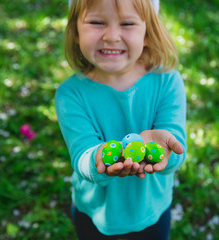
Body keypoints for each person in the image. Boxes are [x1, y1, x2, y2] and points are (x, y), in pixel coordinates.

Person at [55, 0, 186, 239]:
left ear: (148, 33)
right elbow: (81, 155)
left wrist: (168, 148)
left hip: (152, 211)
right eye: (96, 22)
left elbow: (176, 149)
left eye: (127, 23)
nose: (112, 36)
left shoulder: (168, 82)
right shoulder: (70, 94)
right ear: (75, 31)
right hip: (95, 214)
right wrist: (100, 157)